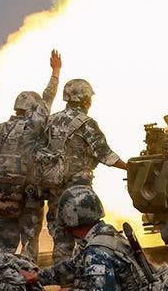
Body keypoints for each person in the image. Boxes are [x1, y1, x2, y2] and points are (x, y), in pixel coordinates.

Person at [24, 185, 156, 291]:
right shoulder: (105, 234)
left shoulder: (97, 252)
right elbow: (72, 267)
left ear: (69, 218)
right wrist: (37, 276)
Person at [0, 49, 62, 260]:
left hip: (0, 197)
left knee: (0, 246)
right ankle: (27, 276)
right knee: (29, 243)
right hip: (28, 198)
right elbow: (48, 99)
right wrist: (56, 71)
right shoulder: (31, 127)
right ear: (32, 109)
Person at [39, 78, 128, 262]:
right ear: (86, 99)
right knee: (86, 237)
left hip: (55, 189)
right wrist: (130, 168)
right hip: (79, 193)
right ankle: (85, 274)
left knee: (61, 238)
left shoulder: (51, 120)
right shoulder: (86, 123)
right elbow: (105, 154)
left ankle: (63, 276)